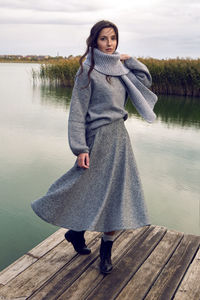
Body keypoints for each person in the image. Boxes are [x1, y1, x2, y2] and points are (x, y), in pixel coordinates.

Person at [31, 20, 158, 274]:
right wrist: (80, 149)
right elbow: (77, 113)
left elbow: (145, 79)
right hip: (96, 139)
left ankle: (105, 254)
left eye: (113, 38)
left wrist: (129, 59)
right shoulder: (86, 71)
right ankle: (76, 233)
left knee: (116, 197)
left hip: (120, 140)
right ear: (94, 40)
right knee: (85, 190)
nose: (109, 44)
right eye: (103, 39)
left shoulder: (120, 69)